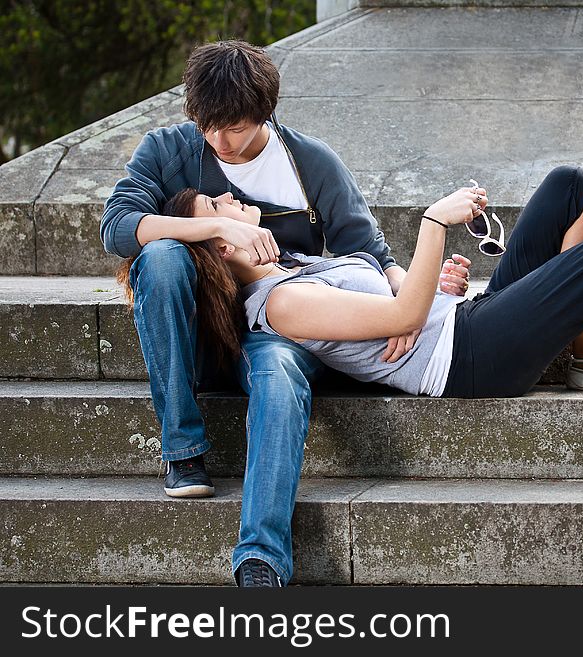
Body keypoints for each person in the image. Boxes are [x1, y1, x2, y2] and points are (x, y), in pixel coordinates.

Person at [101, 40, 470, 587]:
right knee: (159, 256)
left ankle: (260, 562)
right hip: (212, 333)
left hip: (292, 328)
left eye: (234, 128)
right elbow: (117, 227)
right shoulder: (167, 150)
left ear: (265, 113)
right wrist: (216, 226)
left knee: (277, 373)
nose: (218, 142)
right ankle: (181, 446)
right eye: (207, 126)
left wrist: (410, 304)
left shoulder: (309, 162)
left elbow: (370, 250)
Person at [124, 168, 583, 409]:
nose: (233, 202)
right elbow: (401, 315)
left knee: (572, 186)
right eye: (217, 210)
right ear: (216, 248)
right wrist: (434, 224)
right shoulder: (275, 303)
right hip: (470, 363)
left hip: (463, 322)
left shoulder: (296, 268)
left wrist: (427, 289)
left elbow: (401, 306)